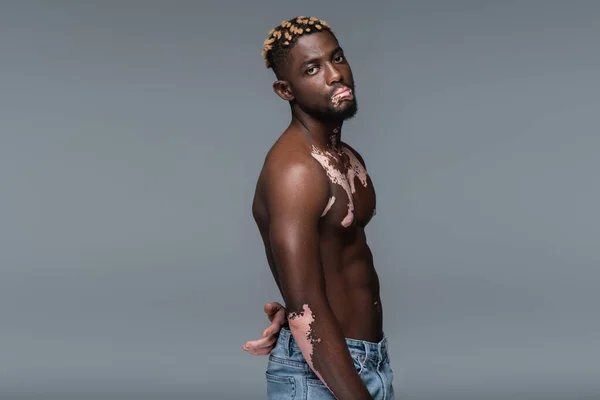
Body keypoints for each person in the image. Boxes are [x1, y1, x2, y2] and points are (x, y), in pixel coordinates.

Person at [244, 16, 395, 400]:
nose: (335, 75)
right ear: (285, 89)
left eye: (337, 58)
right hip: (319, 374)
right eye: (312, 69)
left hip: (362, 361)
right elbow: (305, 309)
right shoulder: (296, 170)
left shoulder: (347, 158)